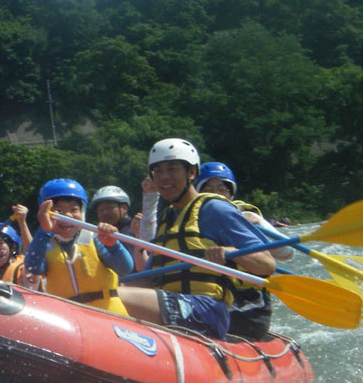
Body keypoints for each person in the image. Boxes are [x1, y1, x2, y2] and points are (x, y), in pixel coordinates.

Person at [114, 140, 276, 340]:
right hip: (171, 303)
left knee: (114, 297)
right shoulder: (167, 218)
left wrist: (230, 253)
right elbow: (149, 275)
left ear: (191, 173)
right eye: (158, 171)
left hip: (205, 310)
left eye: (172, 169)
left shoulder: (214, 209)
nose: (164, 177)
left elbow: (267, 265)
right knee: (102, 293)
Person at [194, 161, 292, 339]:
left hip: (247, 304)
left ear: (230, 193)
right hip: (208, 299)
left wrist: (257, 221)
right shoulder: (188, 220)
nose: (216, 194)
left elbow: (286, 252)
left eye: (221, 189)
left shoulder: (241, 216)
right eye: (208, 189)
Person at [23, 178, 133, 314]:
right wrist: (44, 230)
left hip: (107, 314)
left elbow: (126, 268)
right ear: (47, 214)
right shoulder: (44, 243)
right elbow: (32, 267)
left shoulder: (96, 238)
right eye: (59, 210)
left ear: (82, 212)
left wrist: (114, 246)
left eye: (74, 209)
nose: (67, 215)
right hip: (70, 318)